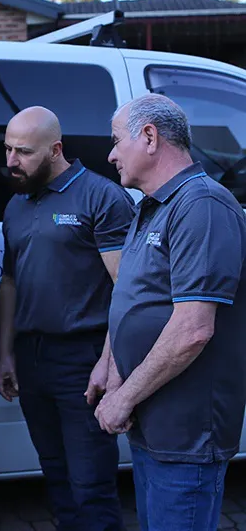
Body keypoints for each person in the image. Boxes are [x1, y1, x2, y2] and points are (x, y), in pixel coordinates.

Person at [96, 93, 246, 530]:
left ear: (149, 137)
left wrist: (123, 398)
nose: (110, 155)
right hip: (153, 423)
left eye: (115, 141)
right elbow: (134, 298)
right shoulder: (151, 206)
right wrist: (114, 371)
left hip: (186, 435)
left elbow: (193, 329)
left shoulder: (202, 205)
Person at [0, 106, 135, 531]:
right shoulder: (17, 203)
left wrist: (108, 363)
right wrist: (5, 353)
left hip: (83, 358)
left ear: (55, 150)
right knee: (55, 473)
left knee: (90, 483)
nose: (12, 161)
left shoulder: (101, 197)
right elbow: (9, 282)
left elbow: (127, 290)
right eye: (7, 149)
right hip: (32, 356)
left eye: (23, 152)